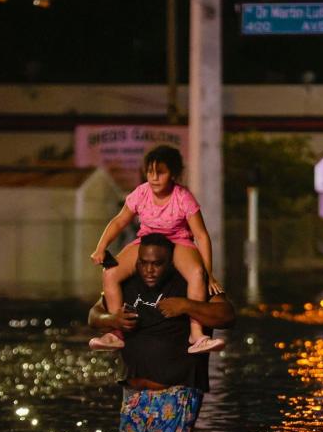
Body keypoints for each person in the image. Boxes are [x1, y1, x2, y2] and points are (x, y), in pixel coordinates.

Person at [88, 233, 235, 432]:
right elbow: (94, 314)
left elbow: (226, 315)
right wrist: (112, 320)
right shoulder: (126, 282)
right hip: (133, 393)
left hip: (176, 391)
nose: (149, 270)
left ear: (171, 263)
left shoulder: (192, 282)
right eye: (144, 263)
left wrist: (186, 306)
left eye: (157, 264)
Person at [89, 145, 224, 353]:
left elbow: (201, 235)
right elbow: (118, 221)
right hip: (147, 241)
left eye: (160, 172)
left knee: (197, 274)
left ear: (173, 173)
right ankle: (115, 333)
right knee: (110, 273)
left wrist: (209, 273)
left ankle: (196, 334)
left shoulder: (183, 197)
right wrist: (101, 247)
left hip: (177, 241)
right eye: (150, 172)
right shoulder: (141, 193)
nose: (154, 177)